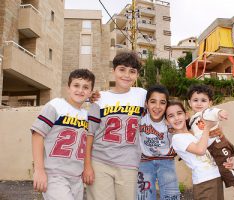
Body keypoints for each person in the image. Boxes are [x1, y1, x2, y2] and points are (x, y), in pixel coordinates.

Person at [83, 51, 147, 200]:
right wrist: (87, 166)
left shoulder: (142, 94)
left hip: (129, 163)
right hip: (100, 162)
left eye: (132, 71)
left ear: (137, 75)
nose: (126, 75)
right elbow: (89, 133)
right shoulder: (100, 98)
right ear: (113, 71)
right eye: (122, 69)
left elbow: (161, 106)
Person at [30, 69, 95, 200]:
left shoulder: (86, 116)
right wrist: (39, 170)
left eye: (86, 87)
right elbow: (37, 134)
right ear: (68, 88)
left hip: (76, 177)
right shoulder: (56, 106)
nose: (80, 90)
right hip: (55, 174)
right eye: (76, 85)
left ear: (90, 92)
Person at [187, 84, 234, 200]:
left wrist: (220, 113)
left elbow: (213, 112)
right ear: (189, 102)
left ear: (210, 103)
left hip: (218, 144)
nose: (199, 103)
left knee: (225, 167)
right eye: (195, 100)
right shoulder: (192, 119)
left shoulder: (205, 113)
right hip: (208, 149)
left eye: (203, 100)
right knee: (220, 169)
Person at [166, 100, 233, 200]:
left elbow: (212, 149)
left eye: (179, 113)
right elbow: (200, 150)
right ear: (167, 121)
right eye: (171, 116)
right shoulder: (177, 138)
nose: (176, 118)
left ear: (186, 115)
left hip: (215, 177)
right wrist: (207, 127)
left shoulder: (192, 134)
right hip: (204, 182)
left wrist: (227, 159)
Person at [137, 85, 180, 200]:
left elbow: (188, 126)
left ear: (167, 105)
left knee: (171, 196)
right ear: (146, 103)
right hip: (145, 162)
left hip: (166, 161)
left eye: (162, 102)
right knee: (144, 196)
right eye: (153, 102)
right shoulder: (140, 116)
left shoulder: (171, 120)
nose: (157, 107)